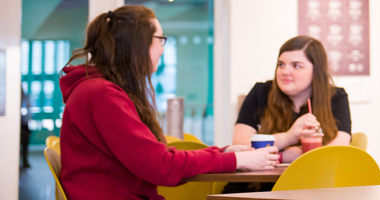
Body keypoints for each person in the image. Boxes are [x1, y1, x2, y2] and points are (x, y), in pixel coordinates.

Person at [58, 6, 278, 199]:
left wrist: (226, 152)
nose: (163, 48)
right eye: (160, 39)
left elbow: (160, 159)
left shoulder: (100, 90)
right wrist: (236, 160)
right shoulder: (103, 95)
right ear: (137, 44)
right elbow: (162, 166)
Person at [225, 36, 351, 192]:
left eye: (296, 66)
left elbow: (337, 151)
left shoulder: (335, 97)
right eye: (281, 64)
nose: (285, 71)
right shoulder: (260, 92)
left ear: (316, 70)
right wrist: (288, 139)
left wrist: (279, 154)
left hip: (309, 189)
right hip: (252, 188)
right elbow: (240, 145)